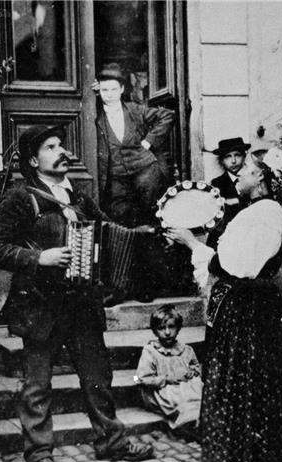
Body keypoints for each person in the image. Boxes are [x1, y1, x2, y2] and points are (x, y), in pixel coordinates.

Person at [0, 124, 155, 462]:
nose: (62, 150)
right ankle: (39, 452)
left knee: (98, 377)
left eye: (61, 144)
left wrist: (137, 237)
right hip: (41, 306)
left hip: (82, 304)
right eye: (51, 146)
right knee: (38, 384)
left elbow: (107, 228)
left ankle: (111, 440)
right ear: (34, 160)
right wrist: (39, 259)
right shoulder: (21, 198)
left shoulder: (76, 194)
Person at [165, 155, 282, 462]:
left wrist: (192, 244)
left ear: (260, 179)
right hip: (246, 310)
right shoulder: (258, 213)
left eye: (244, 171)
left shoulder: (263, 214)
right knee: (249, 383)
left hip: (249, 314)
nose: (238, 174)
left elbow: (234, 267)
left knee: (245, 383)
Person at [95, 63, 176, 302]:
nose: (108, 95)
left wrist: (149, 142)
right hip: (116, 180)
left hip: (145, 175)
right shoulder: (95, 115)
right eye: (103, 90)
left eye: (112, 89)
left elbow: (167, 115)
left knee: (148, 227)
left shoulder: (135, 110)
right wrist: (90, 92)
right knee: (121, 229)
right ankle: (121, 287)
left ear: (121, 90)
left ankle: (147, 286)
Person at [135, 304, 202, 431]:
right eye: (161, 328)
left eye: (171, 327)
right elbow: (139, 378)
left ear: (178, 328)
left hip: (185, 386)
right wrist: (166, 379)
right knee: (174, 395)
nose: (167, 332)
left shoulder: (186, 350)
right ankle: (186, 422)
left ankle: (198, 417)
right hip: (162, 388)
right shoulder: (150, 351)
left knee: (198, 385)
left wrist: (193, 372)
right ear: (155, 331)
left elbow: (195, 365)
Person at [206, 137, 251, 249]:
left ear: (244, 156)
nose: (233, 161)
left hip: (248, 233)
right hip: (226, 238)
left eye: (237, 155)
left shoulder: (251, 179)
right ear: (221, 161)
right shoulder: (217, 184)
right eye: (228, 157)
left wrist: (236, 201)